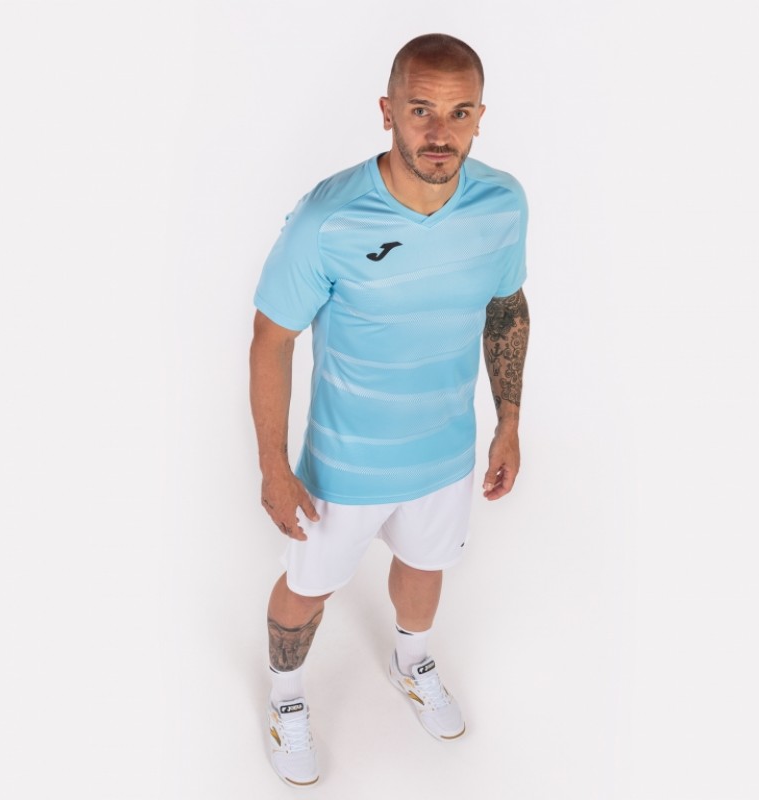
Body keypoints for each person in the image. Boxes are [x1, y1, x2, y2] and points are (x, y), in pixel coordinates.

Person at [249, 33, 530, 787]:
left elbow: (506, 306)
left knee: (426, 568)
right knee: (308, 586)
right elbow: (272, 338)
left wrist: (508, 421)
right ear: (387, 111)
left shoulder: (502, 203)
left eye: (460, 112)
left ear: (480, 117)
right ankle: (285, 698)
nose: (440, 132)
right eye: (420, 110)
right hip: (346, 464)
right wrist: (274, 466)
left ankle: (413, 661)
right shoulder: (329, 219)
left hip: (446, 451)